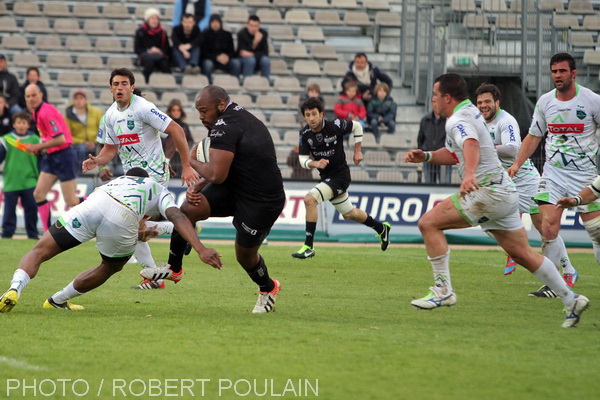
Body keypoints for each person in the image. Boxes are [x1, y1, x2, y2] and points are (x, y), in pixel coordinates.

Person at [404, 73, 588, 328]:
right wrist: (426, 156)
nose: (432, 99)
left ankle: (442, 290)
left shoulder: (457, 119)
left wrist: (469, 175)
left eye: (435, 95)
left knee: (428, 223)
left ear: (447, 97)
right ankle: (571, 299)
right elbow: (455, 151)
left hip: (487, 192)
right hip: (505, 192)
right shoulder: (469, 112)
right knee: (523, 254)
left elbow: (470, 144)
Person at [140, 85, 285, 313]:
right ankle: (174, 268)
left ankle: (268, 288)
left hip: (261, 200)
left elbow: (217, 173)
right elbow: (224, 167)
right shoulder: (229, 118)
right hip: (235, 188)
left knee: (245, 256)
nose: (201, 116)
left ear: (220, 105)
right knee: (188, 209)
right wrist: (198, 184)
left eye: (204, 110)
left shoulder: (224, 126)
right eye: (198, 111)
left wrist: (191, 160)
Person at [0, 168, 222, 313]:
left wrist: (139, 234)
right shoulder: (157, 188)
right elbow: (177, 216)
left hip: (91, 205)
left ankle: (14, 288)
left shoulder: (119, 181)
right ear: (147, 178)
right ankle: (57, 300)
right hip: (121, 216)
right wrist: (200, 248)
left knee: (39, 251)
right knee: (109, 266)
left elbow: (116, 218)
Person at [83, 68, 197, 290]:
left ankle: (156, 277)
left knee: (129, 225)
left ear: (132, 87)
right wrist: (97, 160)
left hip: (153, 175)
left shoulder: (144, 108)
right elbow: (110, 149)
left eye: (124, 83)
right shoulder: (110, 116)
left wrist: (185, 165)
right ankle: (179, 229)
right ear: (110, 88)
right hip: (131, 179)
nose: (120, 88)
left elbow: (178, 130)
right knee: (135, 229)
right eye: (116, 84)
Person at [507, 53, 600, 296]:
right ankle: (553, 284)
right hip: (553, 174)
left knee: (596, 232)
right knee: (548, 228)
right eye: (554, 71)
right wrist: (517, 164)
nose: (557, 75)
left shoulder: (592, 101)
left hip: (586, 176)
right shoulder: (545, 102)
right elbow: (534, 136)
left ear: (573, 73)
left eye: (562, 71)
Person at [475, 83, 575, 278]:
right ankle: (514, 249)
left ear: (497, 102)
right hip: (502, 184)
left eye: (487, 101)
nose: (483, 106)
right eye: (479, 102)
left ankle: (569, 270)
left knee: (545, 230)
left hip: (526, 183)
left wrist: (483, 149)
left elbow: (512, 149)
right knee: (482, 217)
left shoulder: (506, 121)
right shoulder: (479, 123)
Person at [291, 97, 391, 259]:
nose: (311, 118)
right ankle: (381, 228)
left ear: (321, 114)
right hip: (327, 178)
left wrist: (357, 151)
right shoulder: (305, 134)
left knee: (310, 199)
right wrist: (314, 163)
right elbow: (302, 160)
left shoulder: (334, 126)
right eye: (308, 115)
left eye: (314, 114)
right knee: (349, 214)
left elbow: (357, 126)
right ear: (304, 117)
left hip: (340, 176)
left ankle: (308, 246)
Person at [25, 84, 81, 233]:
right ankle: (47, 232)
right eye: (28, 96)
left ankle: (96, 199)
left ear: (41, 95)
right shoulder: (36, 112)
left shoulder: (45, 112)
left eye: (33, 95)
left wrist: (37, 147)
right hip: (52, 156)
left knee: (72, 201)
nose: (31, 99)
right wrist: (42, 148)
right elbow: (48, 137)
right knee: (38, 194)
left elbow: (61, 139)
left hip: (64, 157)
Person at [0, 112, 40, 239]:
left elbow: (41, 158)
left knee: (31, 209)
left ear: (28, 125)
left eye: (24, 123)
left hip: (31, 180)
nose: (21, 125)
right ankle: (7, 233)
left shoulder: (35, 140)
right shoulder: (6, 139)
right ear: (13, 124)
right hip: (12, 179)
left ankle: (32, 234)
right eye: (18, 122)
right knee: (9, 210)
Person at [65, 90, 103, 167]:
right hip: (78, 144)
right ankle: (80, 170)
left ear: (86, 100)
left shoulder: (96, 113)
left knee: (104, 146)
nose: (79, 101)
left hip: (95, 142)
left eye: (81, 98)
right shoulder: (69, 116)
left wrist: (94, 142)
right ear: (73, 101)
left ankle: (103, 168)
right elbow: (67, 136)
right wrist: (83, 142)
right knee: (81, 148)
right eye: (76, 98)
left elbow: (102, 130)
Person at [417, 99, 451, 184]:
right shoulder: (425, 120)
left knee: (446, 184)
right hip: (429, 158)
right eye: (434, 102)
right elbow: (420, 138)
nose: (436, 105)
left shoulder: (449, 120)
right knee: (429, 183)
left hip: (444, 158)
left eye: (438, 102)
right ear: (432, 104)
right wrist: (423, 151)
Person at [134, 8, 171, 84]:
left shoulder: (163, 33)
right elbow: (137, 49)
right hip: (146, 57)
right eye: (152, 18)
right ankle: (145, 83)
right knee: (149, 64)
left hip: (159, 57)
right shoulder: (140, 32)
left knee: (165, 64)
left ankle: (167, 83)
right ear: (147, 20)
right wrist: (149, 51)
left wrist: (159, 51)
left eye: (157, 18)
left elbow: (167, 48)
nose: (155, 21)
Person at [200, 14, 240, 83]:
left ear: (220, 23)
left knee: (236, 63)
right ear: (210, 23)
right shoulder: (205, 34)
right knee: (207, 64)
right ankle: (208, 85)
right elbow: (204, 52)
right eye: (213, 22)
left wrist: (227, 57)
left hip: (225, 60)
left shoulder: (227, 35)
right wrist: (216, 57)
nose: (215, 24)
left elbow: (232, 51)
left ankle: (235, 83)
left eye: (217, 22)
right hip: (211, 60)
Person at [163, 99, 194, 177]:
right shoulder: (165, 126)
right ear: (170, 111)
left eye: (178, 110)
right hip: (169, 159)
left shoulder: (185, 126)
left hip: (181, 160)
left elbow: (190, 140)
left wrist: (183, 147)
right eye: (174, 110)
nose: (176, 112)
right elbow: (162, 140)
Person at [236, 15, 270, 81]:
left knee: (265, 60)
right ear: (247, 25)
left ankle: (266, 83)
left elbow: (265, 52)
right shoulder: (241, 34)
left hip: (258, 59)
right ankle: (247, 82)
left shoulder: (263, 34)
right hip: (245, 61)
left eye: (256, 26)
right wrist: (255, 43)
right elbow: (242, 52)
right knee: (250, 60)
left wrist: (252, 54)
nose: (253, 28)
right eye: (251, 26)